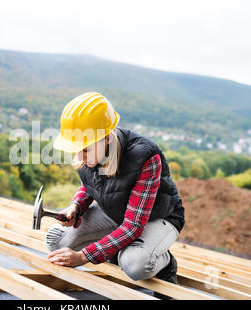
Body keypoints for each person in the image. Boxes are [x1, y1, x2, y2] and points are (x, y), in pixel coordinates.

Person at [46, 92, 185, 288]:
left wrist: (84, 256)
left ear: (107, 139)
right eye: (76, 148)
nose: (80, 156)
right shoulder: (92, 151)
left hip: (157, 218)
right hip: (118, 213)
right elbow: (91, 184)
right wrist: (75, 206)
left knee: (135, 265)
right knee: (57, 243)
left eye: (85, 149)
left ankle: (165, 264)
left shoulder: (145, 157)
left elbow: (133, 225)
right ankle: (117, 248)